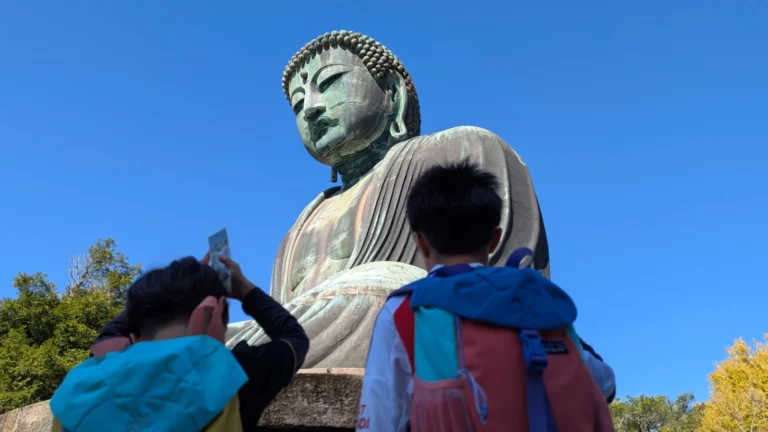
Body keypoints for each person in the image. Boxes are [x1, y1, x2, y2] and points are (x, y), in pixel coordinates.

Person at [356, 161, 616, 431]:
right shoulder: (536, 299)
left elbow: (378, 417)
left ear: (420, 242)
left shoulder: (406, 308)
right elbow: (606, 384)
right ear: (495, 240)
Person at [49, 254, 309, 431]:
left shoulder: (84, 382)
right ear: (211, 315)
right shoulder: (233, 373)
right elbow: (294, 338)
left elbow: (108, 338)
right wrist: (244, 289)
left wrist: (169, 291)